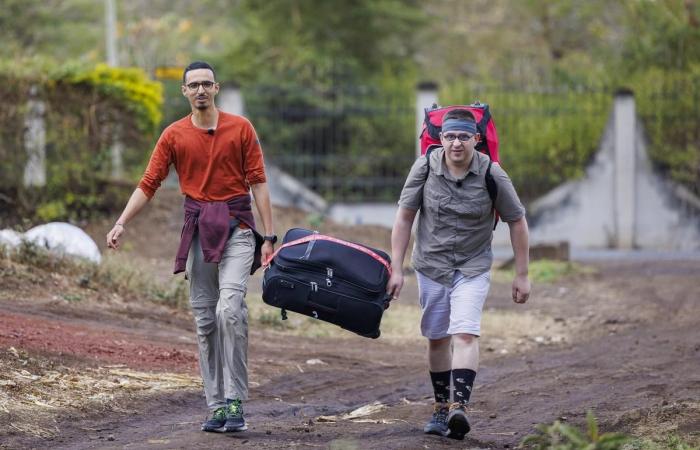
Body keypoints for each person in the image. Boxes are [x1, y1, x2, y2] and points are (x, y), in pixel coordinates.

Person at [105, 61, 276, 433]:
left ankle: (235, 400)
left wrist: (271, 236)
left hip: (239, 229)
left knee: (229, 309)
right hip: (198, 230)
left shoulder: (241, 128)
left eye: (206, 84)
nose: (200, 90)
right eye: (193, 85)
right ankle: (215, 405)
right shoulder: (173, 135)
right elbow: (149, 182)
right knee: (204, 320)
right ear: (184, 91)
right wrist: (121, 222)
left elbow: (259, 182)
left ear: (217, 89)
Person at [386, 109, 530, 440]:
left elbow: (517, 221)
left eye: (464, 136)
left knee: (465, 333)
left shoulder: (493, 173)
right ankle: (440, 408)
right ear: (441, 139)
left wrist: (522, 274)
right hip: (431, 265)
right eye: (450, 136)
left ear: (476, 140)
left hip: (472, 265)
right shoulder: (424, 167)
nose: (456, 143)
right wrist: (396, 267)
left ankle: (458, 408)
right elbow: (405, 217)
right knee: (437, 338)